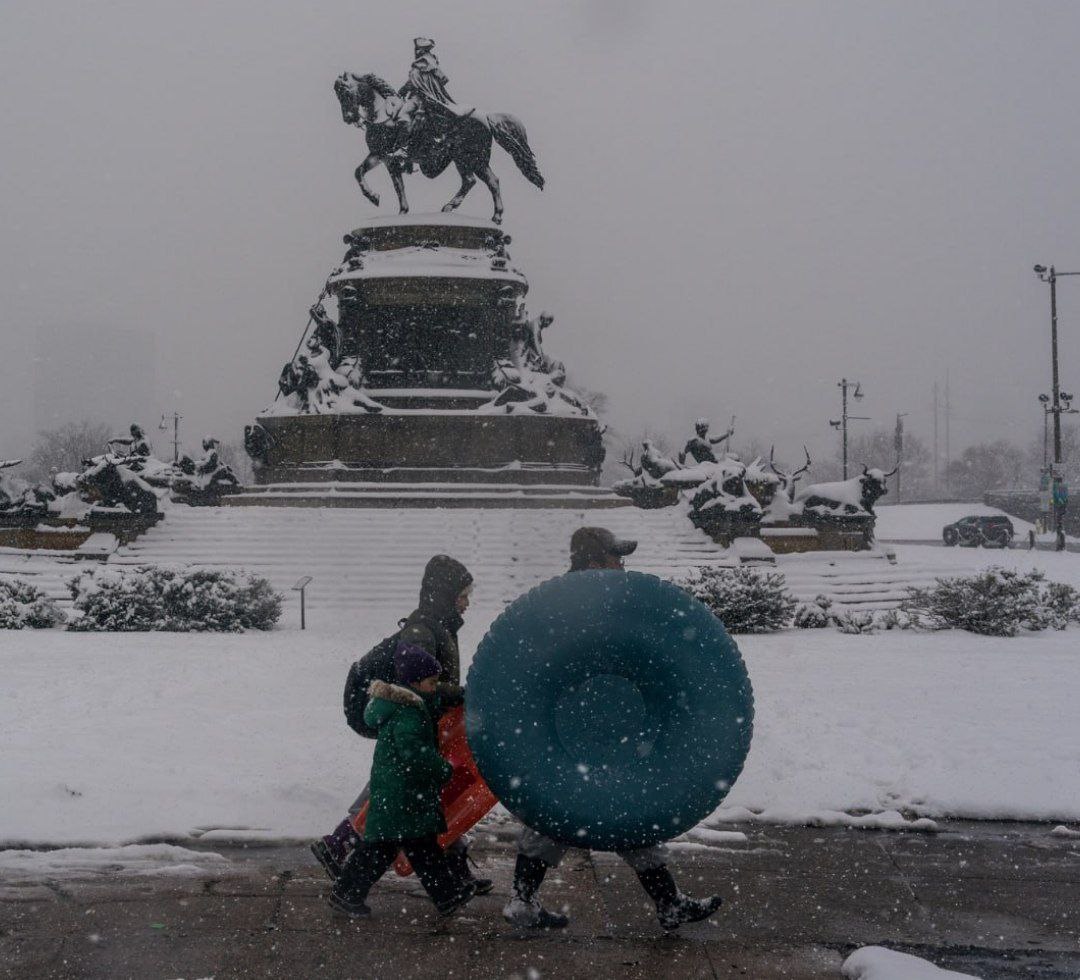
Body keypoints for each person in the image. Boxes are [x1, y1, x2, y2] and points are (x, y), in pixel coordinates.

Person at [502, 527, 726, 932]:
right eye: (614, 558)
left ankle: (665, 902)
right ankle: (524, 898)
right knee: (577, 815)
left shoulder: (602, 602)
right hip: (579, 730)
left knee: (605, 814)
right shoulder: (570, 605)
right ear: (593, 563)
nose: (622, 564)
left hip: (601, 728)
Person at [312, 555, 492, 895]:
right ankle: (343, 840)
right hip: (387, 705)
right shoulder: (422, 630)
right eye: (462, 595)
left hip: (417, 710)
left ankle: (452, 867)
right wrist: (462, 694)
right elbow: (416, 681)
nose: (467, 602)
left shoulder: (441, 624)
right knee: (401, 780)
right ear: (446, 594)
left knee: (408, 779)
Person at [328, 646, 477, 917]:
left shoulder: (408, 707)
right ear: (415, 683)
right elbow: (415, 754)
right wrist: (442, 770)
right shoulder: (409, 714)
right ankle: (446, 895)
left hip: (400, 793)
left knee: (402, 848)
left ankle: (446, 896)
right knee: (412, 848)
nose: (435, 688)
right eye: (432, 683)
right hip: (403, 794)